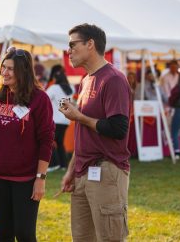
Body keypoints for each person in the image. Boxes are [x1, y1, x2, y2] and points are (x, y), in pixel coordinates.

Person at [0, 46, 55, 242]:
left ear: (23, 71)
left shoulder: (39, 99)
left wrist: (40, 178)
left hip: (25, 179)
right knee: (4, 234)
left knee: (25, 234)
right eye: (3, 67)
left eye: (10, 69)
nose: (4, 73)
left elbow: (46, 141)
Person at [58, 24, 131, 242]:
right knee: (81, 238)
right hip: (83, 172)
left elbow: (118, 129)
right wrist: (72, 170)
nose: (68, 50)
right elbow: (84, 134)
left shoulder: (114, 79)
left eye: (72, 44)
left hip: (106, 170)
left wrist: (79, 117)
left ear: (90, 44)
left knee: (109, 238)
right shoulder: (86, 80)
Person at [45, 65, 74, 172]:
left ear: (56, 78)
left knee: (48, 142)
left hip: (55, 120)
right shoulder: (71, 88)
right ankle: (63, 165)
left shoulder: (53, 88)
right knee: (60, 143)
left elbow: (45, 99)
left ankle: (54, 164)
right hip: (66, 120)